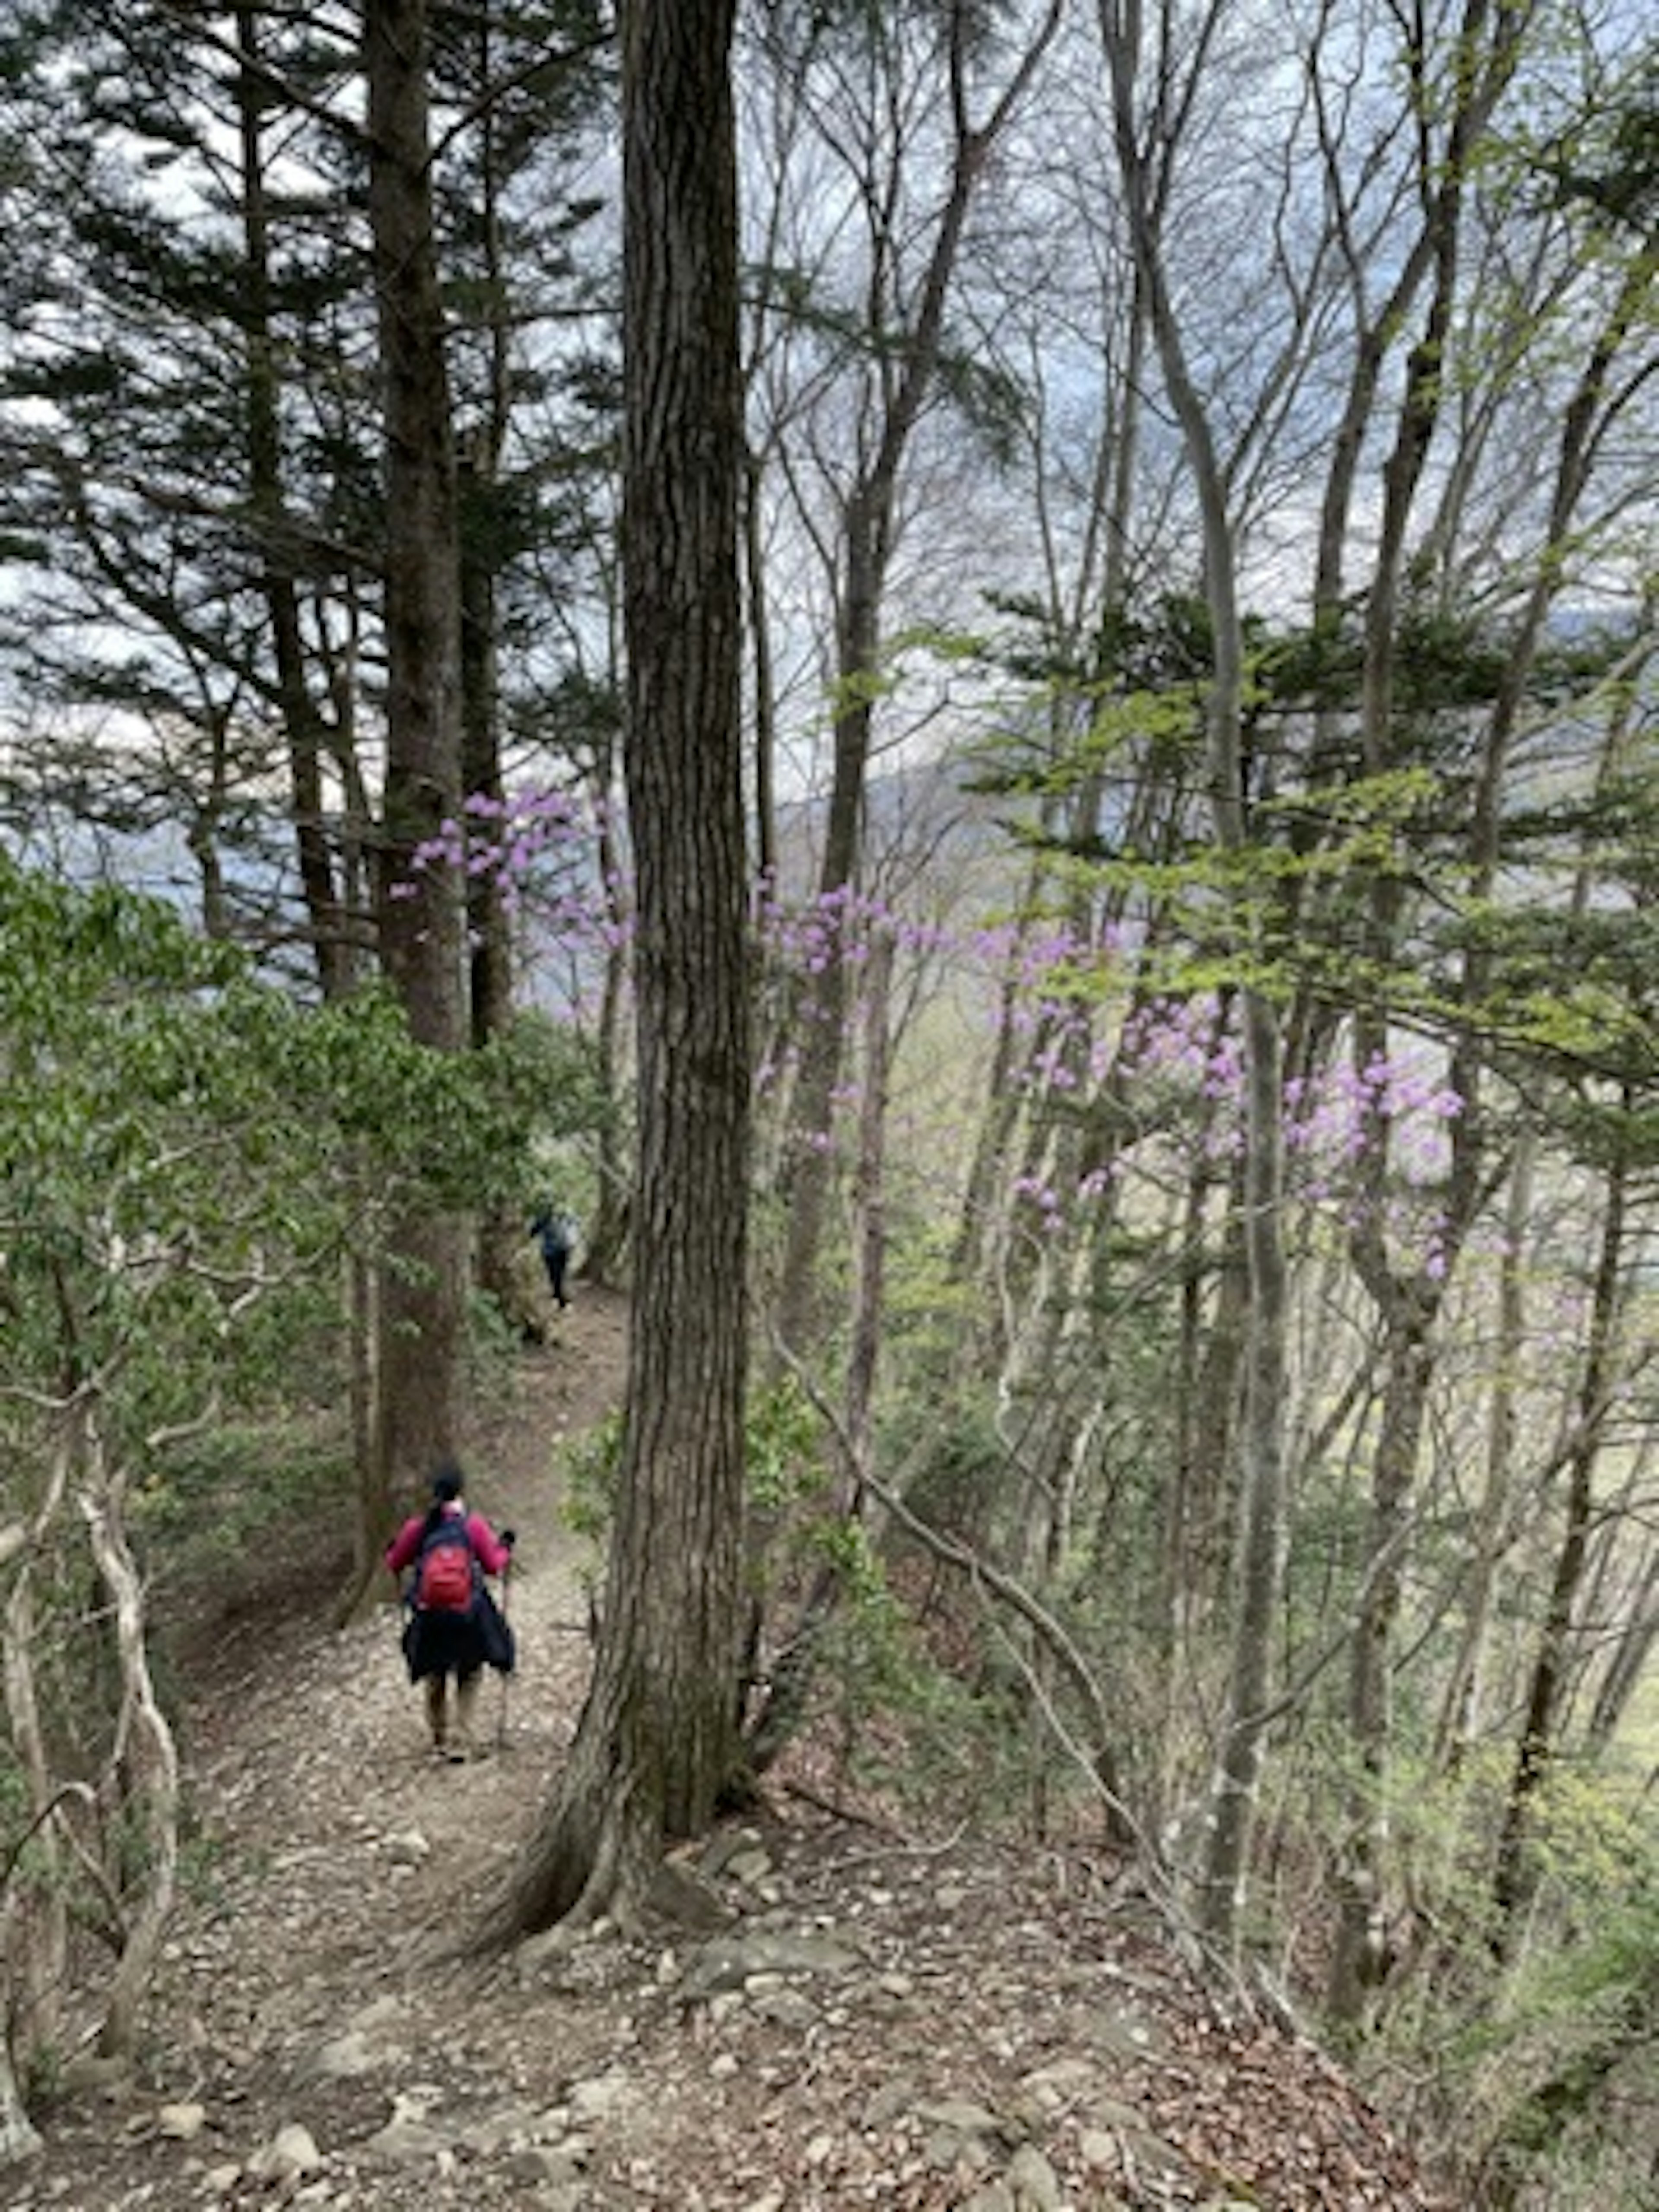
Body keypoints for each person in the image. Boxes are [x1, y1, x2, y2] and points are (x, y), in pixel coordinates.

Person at [385, 1463, 515, 1762]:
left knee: (436, 1672)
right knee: (470, 1672)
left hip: (431, 1616)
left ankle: (439, 1738)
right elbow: (495, 1565)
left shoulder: (418, 1527)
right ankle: (463, 1736)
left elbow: (394, 1562)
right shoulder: (473, 1526)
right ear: (460, 1490)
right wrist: (506, 1546)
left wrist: (393, 1549)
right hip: (468, 1615)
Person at [529, 1201, 578, 1308]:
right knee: (561, 1273)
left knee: (555, 1275)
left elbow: (532, 1232)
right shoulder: (566, 1214)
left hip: (551, 1251)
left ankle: (561, 1299)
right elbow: (575, 1224)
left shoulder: (543, 1218)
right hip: (565, 1248)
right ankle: (561, 1297)